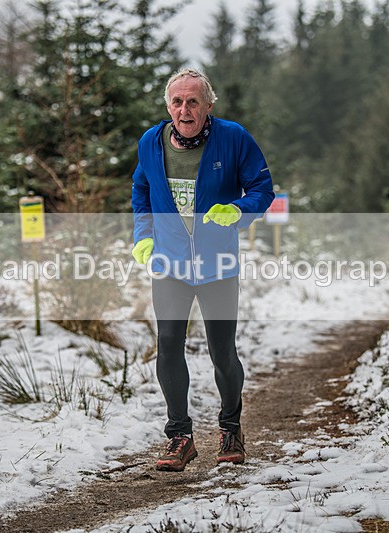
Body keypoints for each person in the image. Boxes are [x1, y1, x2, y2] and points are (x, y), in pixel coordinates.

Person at [131, 67, 274, 472]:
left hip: (218, 265)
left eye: (193, 101)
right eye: (177, 101)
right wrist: (144, 235)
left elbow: (263, 190)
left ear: (208, 105)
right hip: (170, 263)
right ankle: (180, 436)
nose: (184, 109)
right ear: (168, 106)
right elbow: (141, 190)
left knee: (222, 351)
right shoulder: (151, 142)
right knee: (169, 345)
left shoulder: (233, 138)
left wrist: (238, 210)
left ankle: (231, 429)